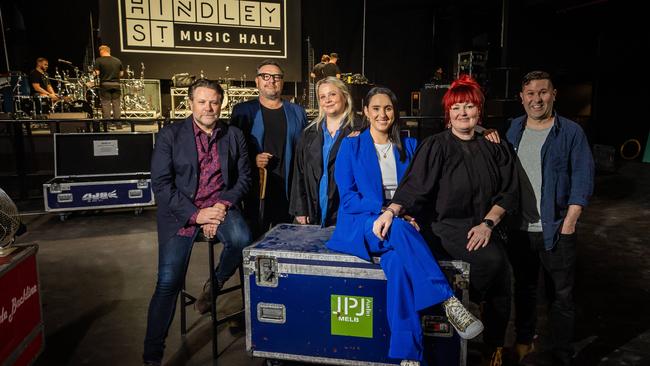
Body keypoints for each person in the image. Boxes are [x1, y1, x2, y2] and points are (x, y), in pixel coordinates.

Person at [327, 86, 483, 366]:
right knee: (397, 228)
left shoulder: (410, 146)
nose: (382, 114)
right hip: (363, 224)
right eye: (375, 108)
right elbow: (348, 199)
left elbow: (422, 190)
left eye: (388, 108)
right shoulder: (351, 145)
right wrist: (386, 212)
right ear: (365, 112)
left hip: (403, 222)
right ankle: (447, 301)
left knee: (398, 265)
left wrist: (483, 132)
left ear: (395, 112)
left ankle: (408, 355)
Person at [374, 76, 518, 365]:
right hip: (443, 228)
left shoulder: (495, 145)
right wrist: (392, 211)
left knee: (499, 266)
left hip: (481, 226)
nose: (463, 113)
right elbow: (414, 187)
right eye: (456, 108)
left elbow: (509, 192)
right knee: (483, 262)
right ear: (448, 113)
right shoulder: (435, 146)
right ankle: (453, 311)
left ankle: (494, 345)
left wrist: (488, 224)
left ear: (480, 110)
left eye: (469, 106)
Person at [143, 79, 253, 366]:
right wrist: (197, 215)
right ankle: (152, 356)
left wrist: (220, 206)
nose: (209, 107)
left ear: (222, 103)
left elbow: (244, 178)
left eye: (214, 101)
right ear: (190, 103)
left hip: (221, 208)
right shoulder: (170, 135)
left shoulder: (234, 135)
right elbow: (162, 184)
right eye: (202, 101)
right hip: (181, 214)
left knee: (242, 240)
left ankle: (212, 288)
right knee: (167, 283)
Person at [505, 71, 594, 365]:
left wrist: (570, 221)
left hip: (556, 229)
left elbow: (583, 177)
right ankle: (524, 342)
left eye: (543, 92)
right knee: (525, 289)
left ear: (554, 94)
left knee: (562, 296)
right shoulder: (513, 129)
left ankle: (562, 352)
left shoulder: (570, 132)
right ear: (522, 98)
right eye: (530, 93)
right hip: (520, 229)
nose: (536, 99)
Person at [230, 60, 308, 233]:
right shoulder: (242, 111)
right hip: (255, 190)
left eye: (276, 77)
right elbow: (232, 150)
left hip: (287, 189)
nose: (271, 80)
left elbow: (306, 150)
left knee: (284, 243)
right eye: (266, 76)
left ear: (282, 81)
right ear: (257, 81)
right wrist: (253, 159)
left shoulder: (297, 112)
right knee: (254, 242)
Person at [290, 77, 359, 226]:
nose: (327, 100)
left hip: (345, 209)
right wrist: (300, 209)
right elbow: (299, 173)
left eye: (332, 94)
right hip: (314, 209)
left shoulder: (360, 130)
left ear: (345, 96)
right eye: (323, 96)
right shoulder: (309, 133)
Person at [94, 45, 123, 119]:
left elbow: (96, 73)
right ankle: (118, 124)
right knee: (116, 105)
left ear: (102, 51)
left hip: (105, 85)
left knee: (106, 105)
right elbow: (121, 73)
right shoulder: (117, 60)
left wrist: (93, 72)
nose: (99, 52)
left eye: (100, 51)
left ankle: (107, 124)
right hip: (116, 85)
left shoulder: (99, 60)